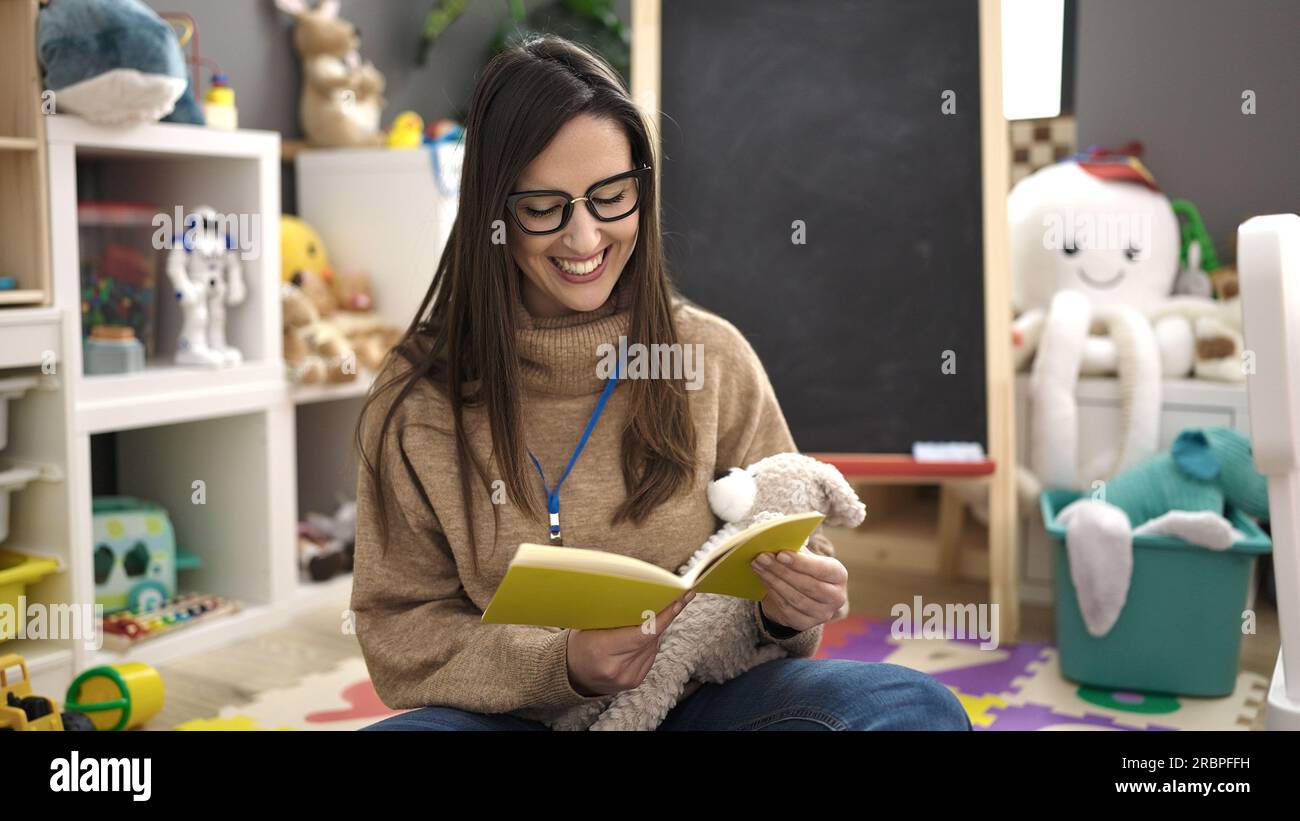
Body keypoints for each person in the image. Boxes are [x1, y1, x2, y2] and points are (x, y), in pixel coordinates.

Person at [353, 35, 971, 731]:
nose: (585, 238)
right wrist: (562, 663)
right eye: (544, 207)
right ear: (494, 212)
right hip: (513, 716)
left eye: (610, 196)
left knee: (914, 708)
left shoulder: (710, 357)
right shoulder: (418, 399)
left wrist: (787, 604)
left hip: (694, 703)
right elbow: (398, 630)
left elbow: (793, 542)